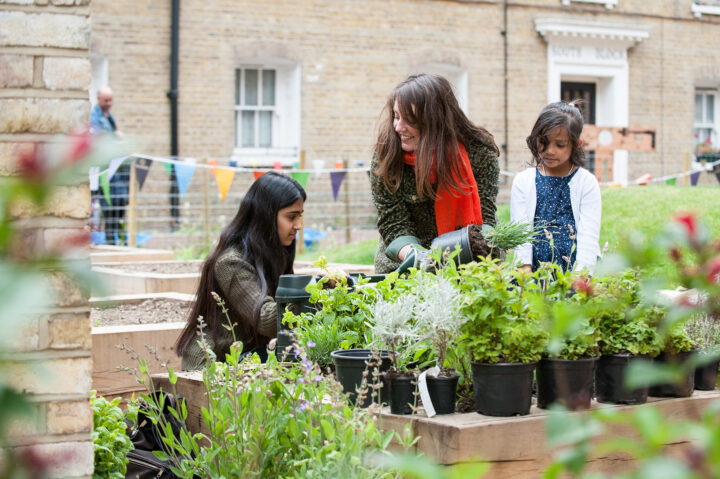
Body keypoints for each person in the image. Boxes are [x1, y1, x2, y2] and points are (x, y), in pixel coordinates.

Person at [176, 172, 306, 370]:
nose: (298, 225)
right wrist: (316, 291)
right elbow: (268, 319)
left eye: (300, 216)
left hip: (252, 359)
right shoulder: (230, 263)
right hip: (212, 367)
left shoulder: (276, 255)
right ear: (266, 216)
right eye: (291, 217)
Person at [370, 73, 500, 273]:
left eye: (409, 120)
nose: (398, 127)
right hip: (404, 266)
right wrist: (420, 258)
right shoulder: (387, 153)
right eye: (396, 116)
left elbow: (485, 214)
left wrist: (484, 246)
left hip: (465, 259)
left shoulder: (478, 152)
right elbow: (392, 221)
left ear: (435, 120)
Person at [510, 101, 601, 274]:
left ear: (577, 144)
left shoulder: (586, 183)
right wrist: (525, 272)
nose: (550, 151)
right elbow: (521, 233)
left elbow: (589, 236)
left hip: (573, 273)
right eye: (544, 141)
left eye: (560, 145)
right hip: (532, 274)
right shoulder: (523, 181)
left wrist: (579, 278)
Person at [90, 86, 128, 245]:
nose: (109, 103)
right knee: (109, 207)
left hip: (117, 172)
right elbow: (99, 140)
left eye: (111, 99)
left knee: (120, 205)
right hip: (106, 173)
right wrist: (115, 137)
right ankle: (110, 241)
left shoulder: (110, 118)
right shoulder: (95, 118)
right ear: (98, 99)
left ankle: (118, 240)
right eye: (106, 100)